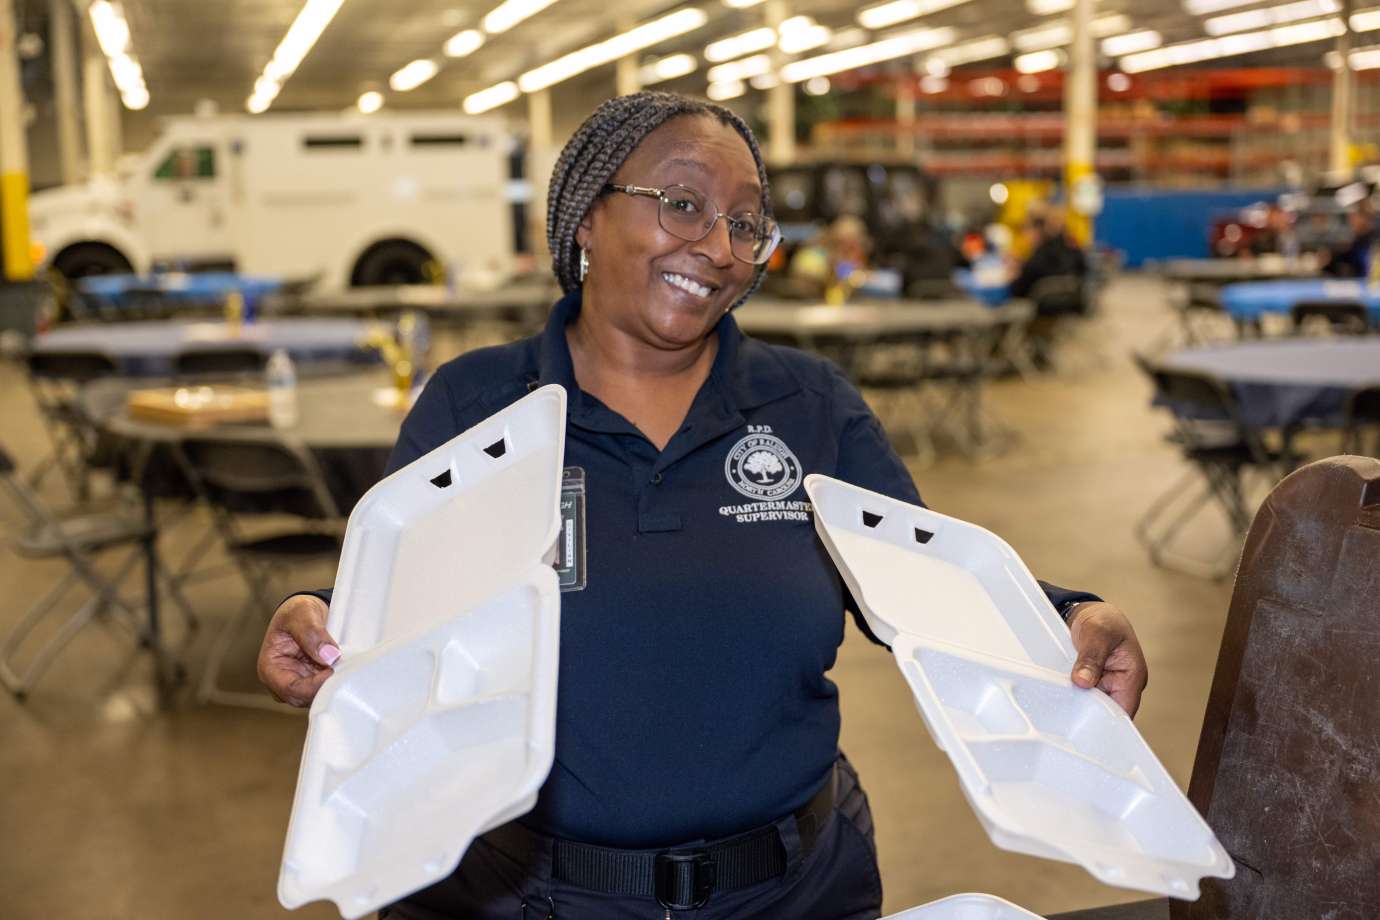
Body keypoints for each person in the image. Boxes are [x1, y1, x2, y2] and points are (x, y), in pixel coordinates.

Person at [258, 91, 1148, 920]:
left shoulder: (808, 406)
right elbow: (391, 614)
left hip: (795, 890)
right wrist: (323, 628)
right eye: (682, 203)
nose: (720, 248)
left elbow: (926, 583)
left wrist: (1065, 618)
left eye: (747, 222)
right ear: (586, 218)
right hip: (528, 897)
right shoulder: (477, 406)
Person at [1008, 209, 1087, 301]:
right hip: (1072, 305)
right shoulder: (1070, 250)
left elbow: (1018, 290)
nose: (1025, 235)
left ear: (1037, 231)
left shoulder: (1037, 259)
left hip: (1041, 309)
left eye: (1026, 229)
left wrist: (1013, 276)